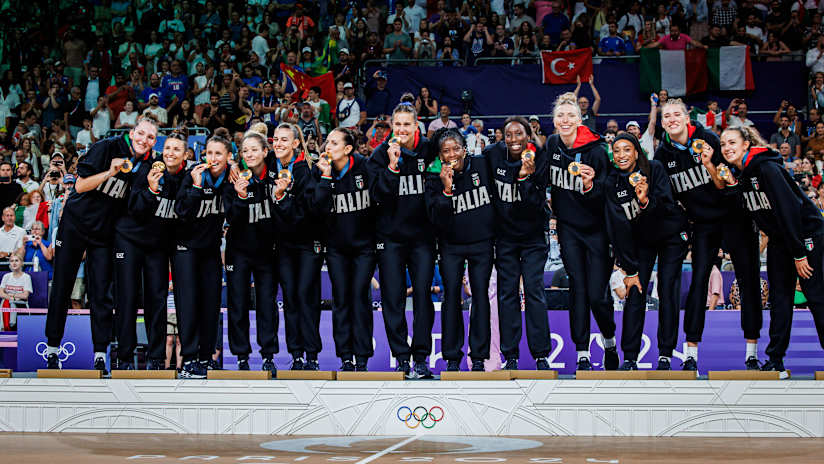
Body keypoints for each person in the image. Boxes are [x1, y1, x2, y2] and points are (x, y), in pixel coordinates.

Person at [654, 99, 763, 371]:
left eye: (677, 114)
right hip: (702, 223)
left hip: (735, 217)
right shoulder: (662, 155)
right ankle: (691, 353)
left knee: (748, 280)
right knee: (698, 282)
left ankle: (752, 352)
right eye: (666, 116)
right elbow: (666, 198)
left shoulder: (709, 139)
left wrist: (710, 167)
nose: (671, 119)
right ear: (662, 121)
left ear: (687, 116)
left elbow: (728, 181)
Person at [44, 116, 159, 372]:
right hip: (75, 224)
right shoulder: (107, 147)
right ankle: (52, 349)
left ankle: (100, 353)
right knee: (62, 286)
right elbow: (81, 186)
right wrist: (110, 171)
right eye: (141, 134)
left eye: (150, 137)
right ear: (133, 131)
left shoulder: (149, 163)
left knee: (101, 294)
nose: (144, 140)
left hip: (105, 233)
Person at [718, 126, 824, 377]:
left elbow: (789, 211)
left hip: (805, 234)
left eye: (732, 142)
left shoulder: (767, 168)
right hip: (780, 238)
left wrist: (799, 252)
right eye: (723, 144)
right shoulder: (741, 176)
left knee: (816, 296)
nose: (726, 148)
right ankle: (775, 359)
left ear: (746, 144)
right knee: (779, 299)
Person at [545, 93, 618, 371]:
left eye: (570, 116)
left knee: (597, 295)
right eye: (560, 116)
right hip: (568, 229)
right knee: (577, 289)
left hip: (597, 230)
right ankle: (582, 353)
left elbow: (607, 193)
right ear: (554, 120)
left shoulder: (597, 150)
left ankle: (609, 342)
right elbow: (541, 176)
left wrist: (589, 186)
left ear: (580, 119)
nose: (565, 120)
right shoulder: (552, 144)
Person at [605, 133, 689, 370]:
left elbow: (666, 205)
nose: (622, 155)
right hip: (640, 240)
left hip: (670, 234)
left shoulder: (654, 168)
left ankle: (665, 355)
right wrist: (628, 267)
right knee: (635, 290)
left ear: (636, 152)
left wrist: (644, 201)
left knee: (667, 289)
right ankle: (630, 357)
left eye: (627, 149)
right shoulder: (612, 182)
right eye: (617, 150)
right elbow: (617, 226)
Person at [367, 103, 437, 378]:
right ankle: (401, 357)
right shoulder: (379, 155)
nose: (402, 130)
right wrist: (393, 167)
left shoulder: (429, 148)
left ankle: (421, 357)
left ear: (416, 124)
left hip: (422, 238)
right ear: (391, 125)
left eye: (407, 124)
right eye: (398, 125)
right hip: (390, 239)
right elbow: (378, 196)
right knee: (392, 300)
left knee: (422, 297)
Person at [113, 130, 187, 371]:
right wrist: (152, 190)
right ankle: (124, 357)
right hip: (130, 240)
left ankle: (156, 359)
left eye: (176, 149)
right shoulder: (148, 171)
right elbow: (133, 207)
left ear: (185, 155)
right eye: (167, 148)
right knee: (127, 298)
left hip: (157, 246)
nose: (170, 153)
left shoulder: (186, 178)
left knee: (157, 299)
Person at [484, 115, 551, 370]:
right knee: (507, 294)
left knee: (534, 292)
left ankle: (541, 355)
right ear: (503, 137)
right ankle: (510, 355)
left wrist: (525, 179)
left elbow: (536, 204)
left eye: (519, 134)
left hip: (533, 236)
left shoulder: (540, 157)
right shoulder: (492, 155)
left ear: (528, 135)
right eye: (509, 134)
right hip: (505, 237)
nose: (514, 139)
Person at [425, 128, 494, 372]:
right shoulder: (434, 176)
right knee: (451, 297)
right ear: (440, 156)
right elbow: (436, 219)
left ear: (465, 149)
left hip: (482, 243)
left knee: (480, 296)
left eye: (456, 148)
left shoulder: (483, 165)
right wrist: (446, 188)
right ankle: (452, 358)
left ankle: (478, 357)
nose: (452, 154)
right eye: (446, 151)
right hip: (451, 245)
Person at [310, 128, 376, 371]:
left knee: (360, 297)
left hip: (364, 247)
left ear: (348, 149)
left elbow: (379, 201)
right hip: (336, 248)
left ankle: (362, 357)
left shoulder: (364, 167)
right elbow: (317, 209)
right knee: (341, 299)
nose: (328, 146)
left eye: (334, 143)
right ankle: (345, 357)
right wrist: (326, 178)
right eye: (327, 141)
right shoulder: (319, 171)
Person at [225, 131, 290, 373]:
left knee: (267, 305)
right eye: (245, 151)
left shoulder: (275, 171)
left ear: (266, 152)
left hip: (267, 252)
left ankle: (268, 355)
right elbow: (230, 217)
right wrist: (240, 196)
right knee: (238, 304)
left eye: (254, 149)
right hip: (238, 251)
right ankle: (241, 355)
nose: (249, 154)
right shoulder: (234, 178)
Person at [173, 135, 233, 378]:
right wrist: (196, 187)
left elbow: (233, 211)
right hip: (185, 248)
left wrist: (233, 182)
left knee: (211, 305)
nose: (213, 158)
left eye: (219, 153)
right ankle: (188, 358)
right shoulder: (193, 175)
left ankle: (206, 358)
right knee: (188, 304)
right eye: (209, 153)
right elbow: (181, 210)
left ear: (228, 156)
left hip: (210, 249)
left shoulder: (232, 178)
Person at [268, 123, 324, 371]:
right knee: (290, 299)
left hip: (307, 243)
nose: (277, 144)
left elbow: (306, 213)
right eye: (275, 139)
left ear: (295, 144)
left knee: (306, 297)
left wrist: (283, 199)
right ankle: (296, 354)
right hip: (283, 245)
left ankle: (312, 355)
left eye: (283, 140)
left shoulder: (306, 170)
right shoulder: (269, 167)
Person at [0, 255, 32, 329]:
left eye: (16, 260)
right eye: (12, 261)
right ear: (9, 264)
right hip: (7, 303)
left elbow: (25, 295)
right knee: (8, 303)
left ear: (21, 263)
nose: (14, 263)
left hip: (21, 304)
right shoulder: (6, 276)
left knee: (12, 304)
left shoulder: (26, 277)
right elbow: (1, 293)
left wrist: (12, 295)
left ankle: (12, 324)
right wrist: (12, 298)